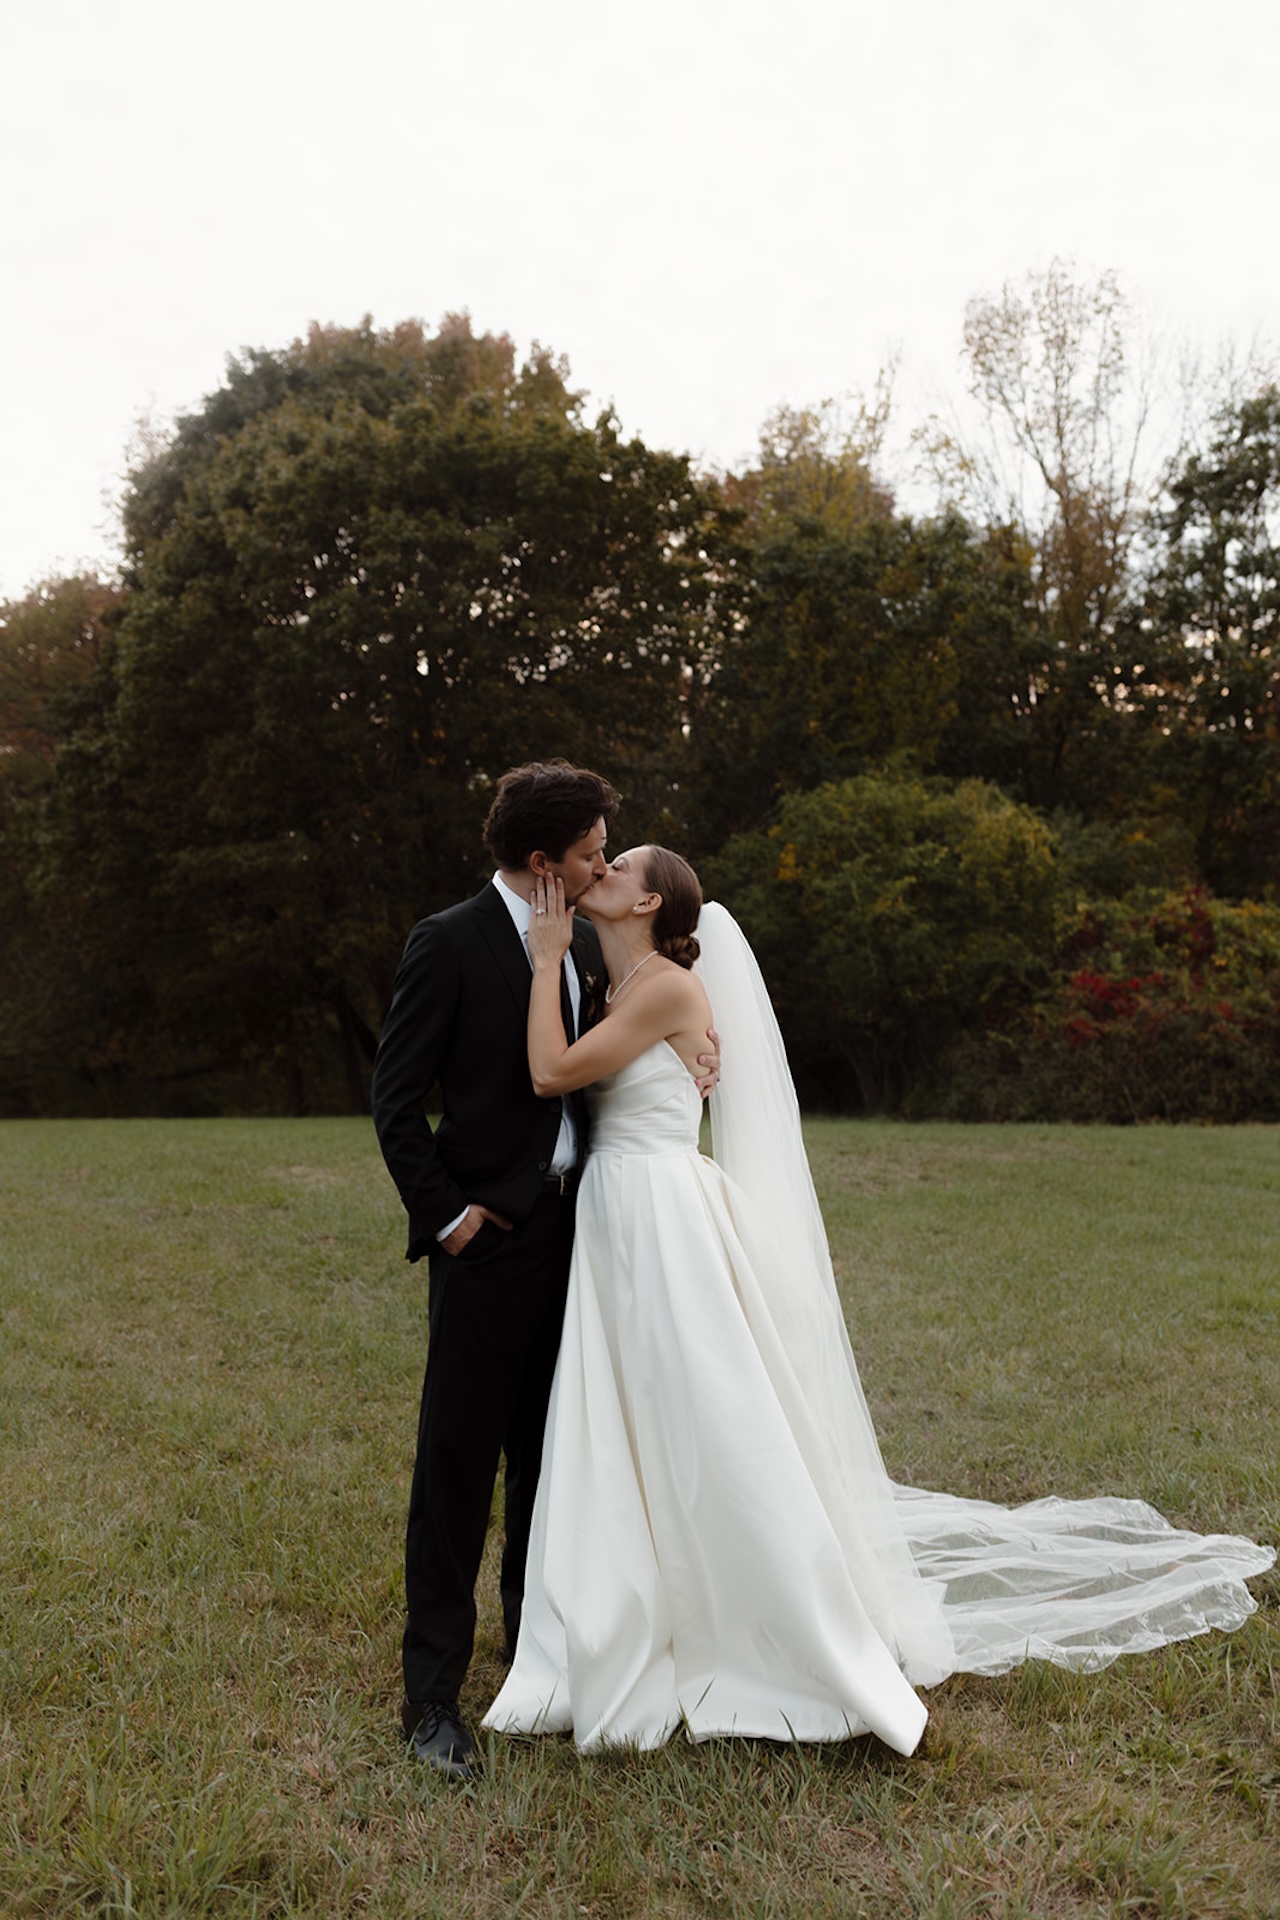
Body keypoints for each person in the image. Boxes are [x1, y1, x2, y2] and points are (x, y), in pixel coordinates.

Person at [484, 846, 1275, 1753]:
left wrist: (544, 957)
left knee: (706, 1411)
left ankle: (764, 1618)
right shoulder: (613, 980)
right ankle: (639, 1599)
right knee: (631, 1417)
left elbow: (553, 1074)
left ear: (649, 899)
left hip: (660, 1218)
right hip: (618, 1215)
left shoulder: (660, 985)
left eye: (618, 863)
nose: (604, 868)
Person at [371, 766, 718, 1781]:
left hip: (588, 1239)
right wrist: (447, 1220)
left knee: (550, 1457)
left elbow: (635, 1041)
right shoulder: (448, 941)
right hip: (488, 1246)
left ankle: (534, 1654)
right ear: (543, 865)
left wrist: (698, 1042)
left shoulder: (599, 959)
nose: (601, 864)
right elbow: (394, 1102)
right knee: (455, 1465)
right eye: (589, 853)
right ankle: (430, 1697)